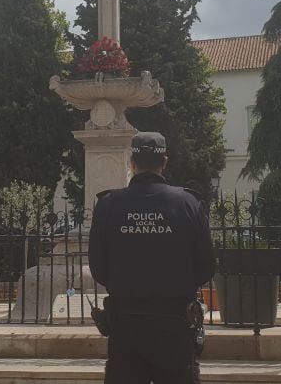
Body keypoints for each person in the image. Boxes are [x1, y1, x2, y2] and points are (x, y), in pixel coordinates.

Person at [88, 132, 215, 384]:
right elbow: (207, 265)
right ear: (164, 162)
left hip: (125, 324)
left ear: (131, 162)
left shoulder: (108, 204)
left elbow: (98, 267)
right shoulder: (187, 203)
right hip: (175, 324)